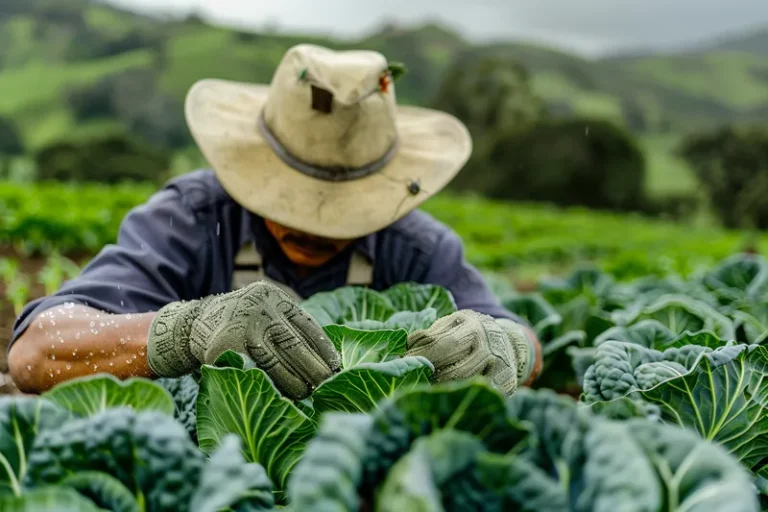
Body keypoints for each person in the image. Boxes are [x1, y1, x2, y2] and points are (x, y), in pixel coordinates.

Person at [8, 44, 542, 400]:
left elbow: (526, 343)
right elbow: (34, 353)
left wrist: (505, 346)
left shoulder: (419, 248)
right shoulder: (192, 219)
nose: (316, 225)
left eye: (344, 205)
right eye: (293, 198)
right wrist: (184, 331)